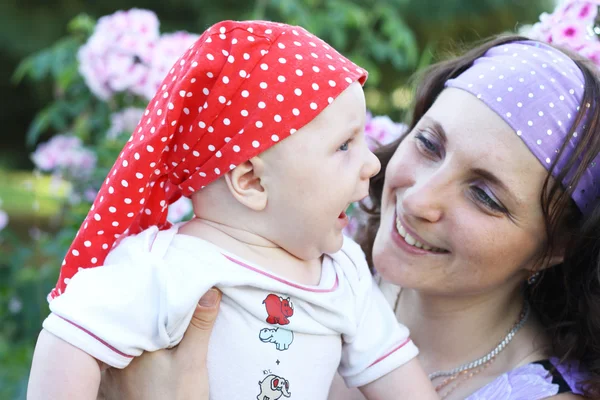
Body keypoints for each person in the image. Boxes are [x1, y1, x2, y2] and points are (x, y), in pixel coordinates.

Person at [109, 35, 600, 400]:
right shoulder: (310, 261)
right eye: (428, 144)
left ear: (555, 245)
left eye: (484, 196)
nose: (417, 200)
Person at [27, 20, 438, 400]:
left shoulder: (343, 272)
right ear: (252, 182)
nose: (373, 163)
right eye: (345, 145)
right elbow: (68, 338)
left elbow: (400, 379)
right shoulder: (163, 269)